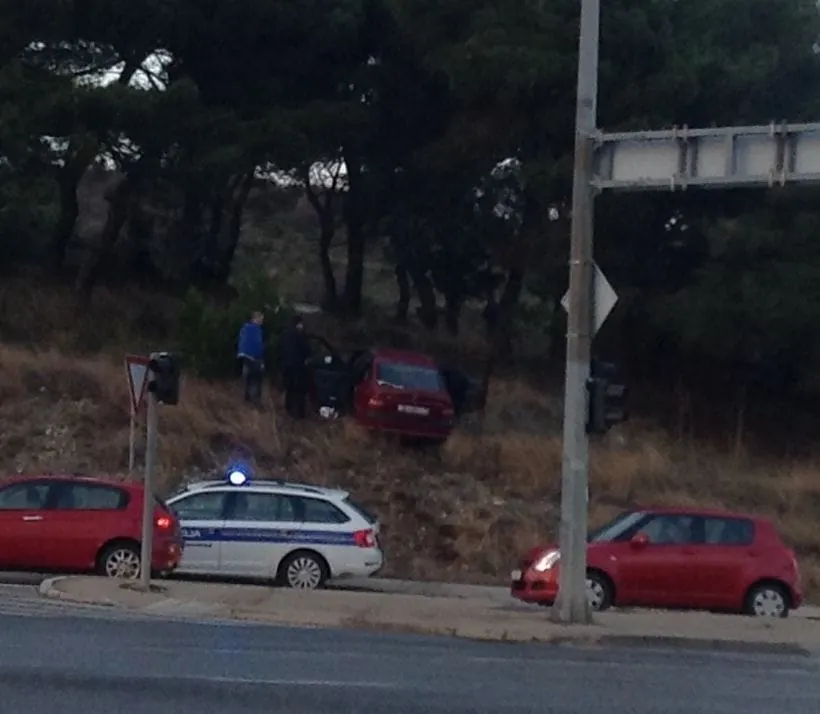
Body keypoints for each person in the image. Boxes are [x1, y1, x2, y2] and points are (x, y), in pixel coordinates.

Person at [280, 315, 312, 418]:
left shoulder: (284, 335)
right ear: (298, 324)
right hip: (298, 367)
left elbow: (279, 350)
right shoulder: (300, 336)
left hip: (286, 366)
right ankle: (299, 413)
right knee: (300, 390)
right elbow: (307, 351)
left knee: (289, 389)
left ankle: (288, 409)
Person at [236, 311, 265, 406]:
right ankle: (255, 401)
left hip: (243, 356)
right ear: (255, 319)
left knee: (247, 378)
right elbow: (257, 345)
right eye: (260, 319)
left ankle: (246, 399)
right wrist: (260, 358)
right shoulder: (256, 330)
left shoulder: (244, 328)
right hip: (253, 357)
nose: (261, 322)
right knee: (256, 379)